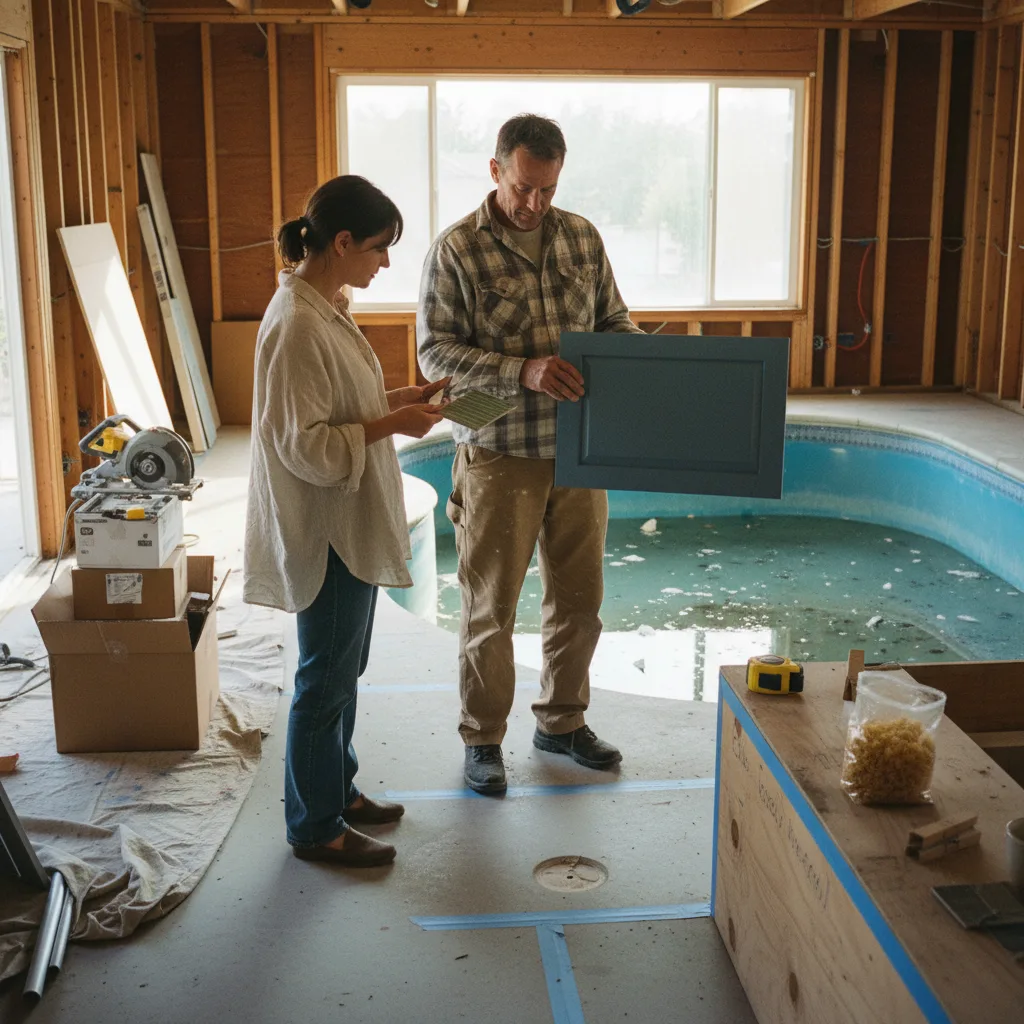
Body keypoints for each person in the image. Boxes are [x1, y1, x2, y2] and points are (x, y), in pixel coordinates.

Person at [417, 114, 644, 795]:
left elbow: (614, 319)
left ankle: (562, 721)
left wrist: (638, 353)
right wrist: (523, 370)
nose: (534, 203)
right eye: (523, 187)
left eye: (547, 189)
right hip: (496, 450)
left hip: (579, 449)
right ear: (495, 171)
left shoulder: (582, 237)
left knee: (580, 601)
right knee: (491, 608)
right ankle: (483, 739)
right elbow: (434, 354)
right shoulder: (456, 249)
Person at [244, 175, 448, 865]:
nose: (384, 263)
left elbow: (339, 405)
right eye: (379, 248)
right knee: (324, 676)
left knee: (343, 668)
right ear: (341, 242)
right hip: (325, 528)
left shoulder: (324, 304)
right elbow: (305, 446)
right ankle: (314, 827)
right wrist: (394, 421)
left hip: (346, 521)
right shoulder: (298, 324)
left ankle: (341, 789)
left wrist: (399, 397)